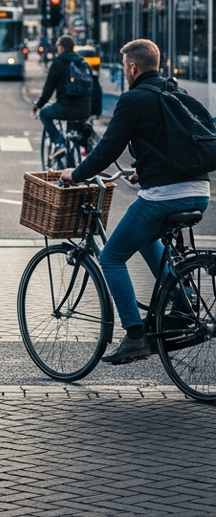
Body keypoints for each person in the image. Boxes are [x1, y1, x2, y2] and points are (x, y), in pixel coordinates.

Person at [62, 38, 211, 364]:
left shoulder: (133, 99)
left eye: (125, 67)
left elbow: (107, 149)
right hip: (200, 193)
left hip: (164, 197)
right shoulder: (176, 91)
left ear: (132, 67)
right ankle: (183, 298)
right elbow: (172, 146)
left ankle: (134, 336)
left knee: (112, 257)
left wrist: (76, 173)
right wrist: (142, 172)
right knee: (146, 239)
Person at [33, 34, 91, 158]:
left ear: (60, 48)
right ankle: (82, 148)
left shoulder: (59, 63)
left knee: (44, 114)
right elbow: (94, 88)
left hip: (65, 108)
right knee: (77, 130)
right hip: (85, 109)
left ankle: (59, 143)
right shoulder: (83, 63)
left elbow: (49, 88)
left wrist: (39, 104)